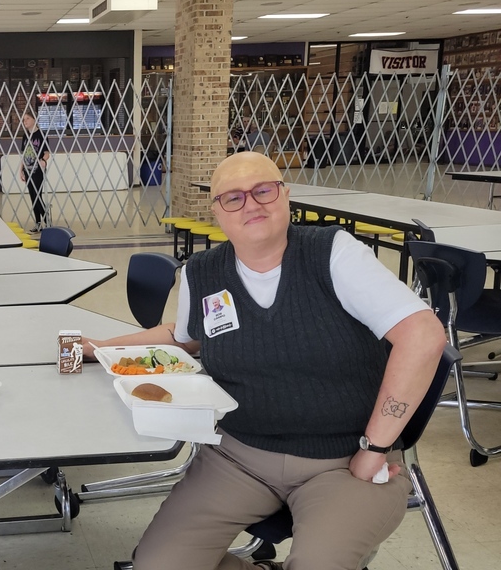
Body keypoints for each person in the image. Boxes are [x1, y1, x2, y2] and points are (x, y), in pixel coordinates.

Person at [84, 152, 445, 570]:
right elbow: (182, 337)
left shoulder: (333, 255)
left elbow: (423, 336)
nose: (251, 204)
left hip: (343, 460)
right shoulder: (203, 272)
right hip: (238, 455)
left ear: (285, 195)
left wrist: (376, 446)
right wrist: (101, 346)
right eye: (233, 197)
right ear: (217, 212)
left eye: (263, 190)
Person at [19, 111, 50, 233]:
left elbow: (47, 153)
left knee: (37, 196)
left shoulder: (41, 134)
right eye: (23, 119)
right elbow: (23, 154)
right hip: (28, 170)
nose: (25, 121)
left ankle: (47, 221)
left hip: (37, 170)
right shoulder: (25, 136)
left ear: (34, 119)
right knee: (32, 196)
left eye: (27, 118)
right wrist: (21, 170)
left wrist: (43, 160)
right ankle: (38, 222)